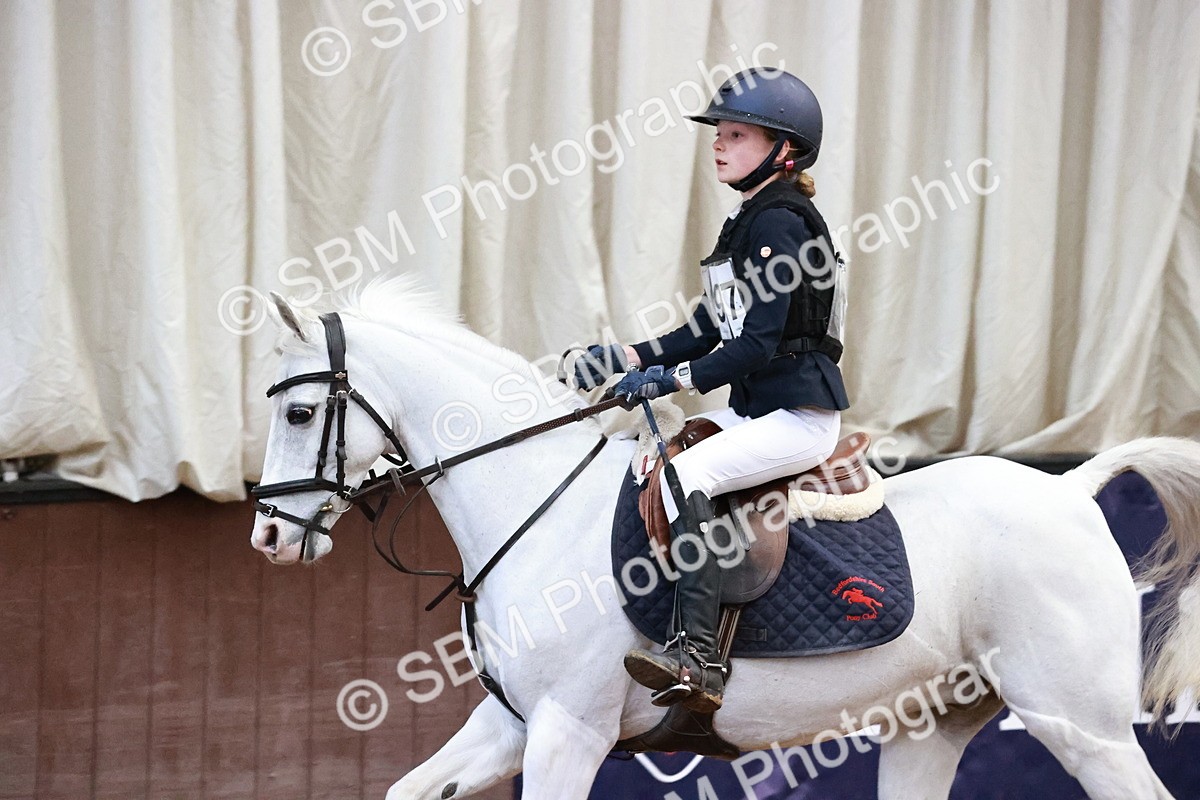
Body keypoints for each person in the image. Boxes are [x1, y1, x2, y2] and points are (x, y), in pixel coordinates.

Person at [573, 68, 850, 713]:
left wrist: (669, 380)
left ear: (783, 150)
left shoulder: (780, 222)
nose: (719, 146)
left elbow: (755, 344)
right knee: (650, 459)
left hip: (797, 416)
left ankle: (699, 658)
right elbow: (711, 325)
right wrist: (629, 356)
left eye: (736, 135)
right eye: (718, 135)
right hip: (758, 409)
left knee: (681, 479)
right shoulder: (750, 218)